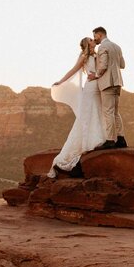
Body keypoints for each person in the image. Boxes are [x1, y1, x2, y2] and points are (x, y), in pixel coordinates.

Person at [47, 37, 106, 177]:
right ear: (87, 44)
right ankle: (89, 143)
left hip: (98, 87)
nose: (94, 40)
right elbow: (73, 70)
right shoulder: (85, 57)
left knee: (97, 112)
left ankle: (99, 139)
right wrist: (61, 81)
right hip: (90, 88)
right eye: (91, 39)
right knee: (88, 114)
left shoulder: (97, 55)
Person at [87, 26, 126, 149]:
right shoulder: (117, 47)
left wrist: (96, 75)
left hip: (107, 83)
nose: (95, 39)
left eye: (95, 36)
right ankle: (121, 139)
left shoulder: (103, 47)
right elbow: (122, 65)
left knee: (108, 112)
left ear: (99, 34)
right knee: (115, 112)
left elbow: (103, 66)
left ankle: (110, 140)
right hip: (117, 82)